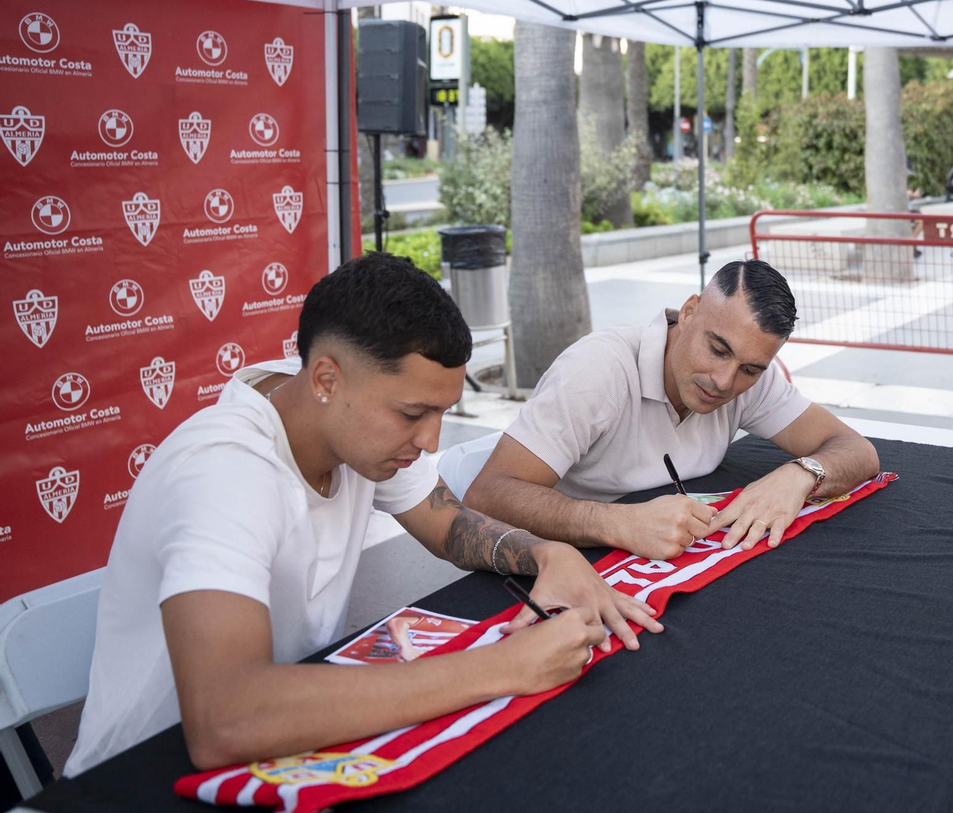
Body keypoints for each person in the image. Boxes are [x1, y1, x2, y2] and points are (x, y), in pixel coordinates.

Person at [65, 254, 661, 776]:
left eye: (441, 413)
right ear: (325, 377)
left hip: (291, 743)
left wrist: (546, 554)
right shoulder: (224, 471)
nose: (430, 441)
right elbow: (225, 718)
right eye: (412, 413)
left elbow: (449, 526)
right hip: (140, 775)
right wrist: (503, 667)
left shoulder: (344, 416)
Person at [465, 259, 879, 560]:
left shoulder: (748, 378)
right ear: (690, 310)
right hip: (564, 564)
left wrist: (799, 475)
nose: (724, 381)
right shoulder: (597, 370)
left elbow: (858, 451)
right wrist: (616, 523)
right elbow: (487, 495)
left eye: (750, 369)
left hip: (669, 564)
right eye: (717, 349)